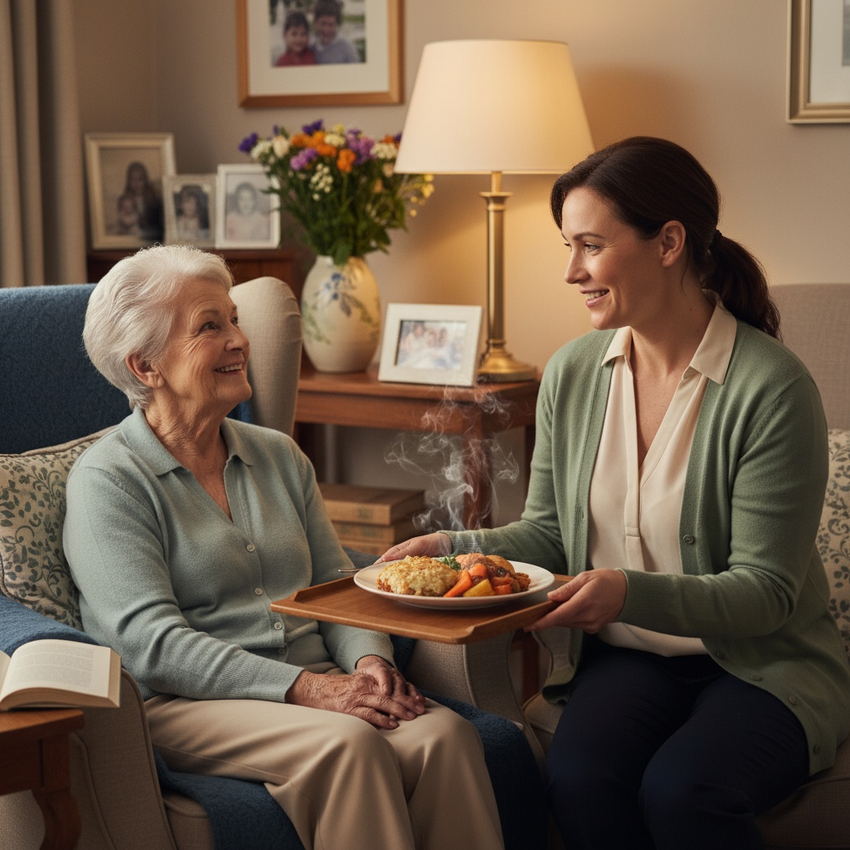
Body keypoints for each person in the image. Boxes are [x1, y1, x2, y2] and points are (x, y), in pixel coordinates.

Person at [382, 136, 850, 849]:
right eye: (567, 246)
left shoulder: (771, 389)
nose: (571, 271)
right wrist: (453, 548)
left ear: (668, 242)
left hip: (763, 666)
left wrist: (627, 592)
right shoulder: (572, 374)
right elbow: (546, 533)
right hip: (629, 661)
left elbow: (766, 593)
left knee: (684, 791)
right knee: (580, 781)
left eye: (590, 246)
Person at [62, 245, 504, 850]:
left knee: (443, 737)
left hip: (315, 677)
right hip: (185, 703)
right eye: (209, 326)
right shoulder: (107, 481)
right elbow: (150, 647)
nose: (239, 340)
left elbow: (337, 590)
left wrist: (370, 665)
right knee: (349, 747)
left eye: (234, 319)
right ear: (145, 367)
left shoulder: (277, 455)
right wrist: (310, 690)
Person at [123, 160, 163, 241]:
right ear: (128, 181)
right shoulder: (125, 201)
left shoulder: (153, 202)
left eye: (140, 179)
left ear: (145, 180)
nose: (136, 184)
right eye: (133, 180)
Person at [312, 0, 360, 64]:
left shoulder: (347, 49)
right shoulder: (310, 45)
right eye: (323, 24)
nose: (327, 30)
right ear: (315, 22)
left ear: (337, 24)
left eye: (331, 25)